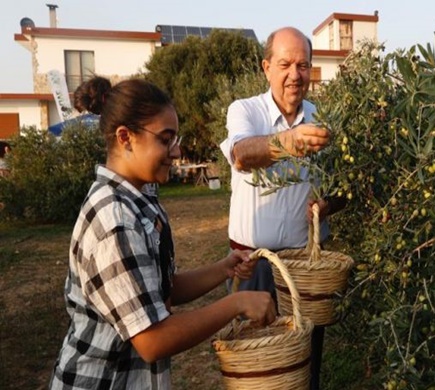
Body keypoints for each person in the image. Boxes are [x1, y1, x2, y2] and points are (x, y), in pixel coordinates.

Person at [50, 78, 276, 389]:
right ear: (125, 137)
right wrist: (236, 303)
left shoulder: (139, 201)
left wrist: (224, 268)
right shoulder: (115, 220)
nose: (177, 150)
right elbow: (151, 339)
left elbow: (157, 290)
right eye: (165, 139)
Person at [219, 26, 345, 390]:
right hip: (253, 264)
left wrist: (328, 204)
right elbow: (242, 155)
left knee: (303, 363)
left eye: (303, 65)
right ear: (266, 67)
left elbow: (346, 187)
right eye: (285, 64)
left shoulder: (324, 119)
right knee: (257, 368)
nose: (295, 75)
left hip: (305, 269)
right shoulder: (244, 111)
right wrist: (289, 141)